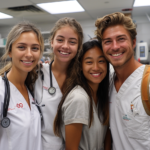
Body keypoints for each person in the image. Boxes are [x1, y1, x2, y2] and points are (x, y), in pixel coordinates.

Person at [95, 12, 150, 150]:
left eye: (121, 39)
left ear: (133, 42)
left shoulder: (147, 83)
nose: (114, 47)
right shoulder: (106, 83)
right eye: (108, 41)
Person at [34, 17, 83, 150]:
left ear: (78, 47)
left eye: (72, 42)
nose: (65, 46)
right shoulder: (36, 74)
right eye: (60, 40)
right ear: (51, 42)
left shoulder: (83, 77)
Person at [54, 40, 110, 150]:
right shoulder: (79, 99)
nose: (96, 67)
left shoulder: (101, 96)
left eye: (101, 61)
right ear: (80, 66)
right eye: (89, 62)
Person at [0, 22, 44, 150]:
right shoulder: (1, 91)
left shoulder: (31, 87)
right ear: (9, 51)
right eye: (21, 47)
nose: (29, 54)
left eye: (35, 48)